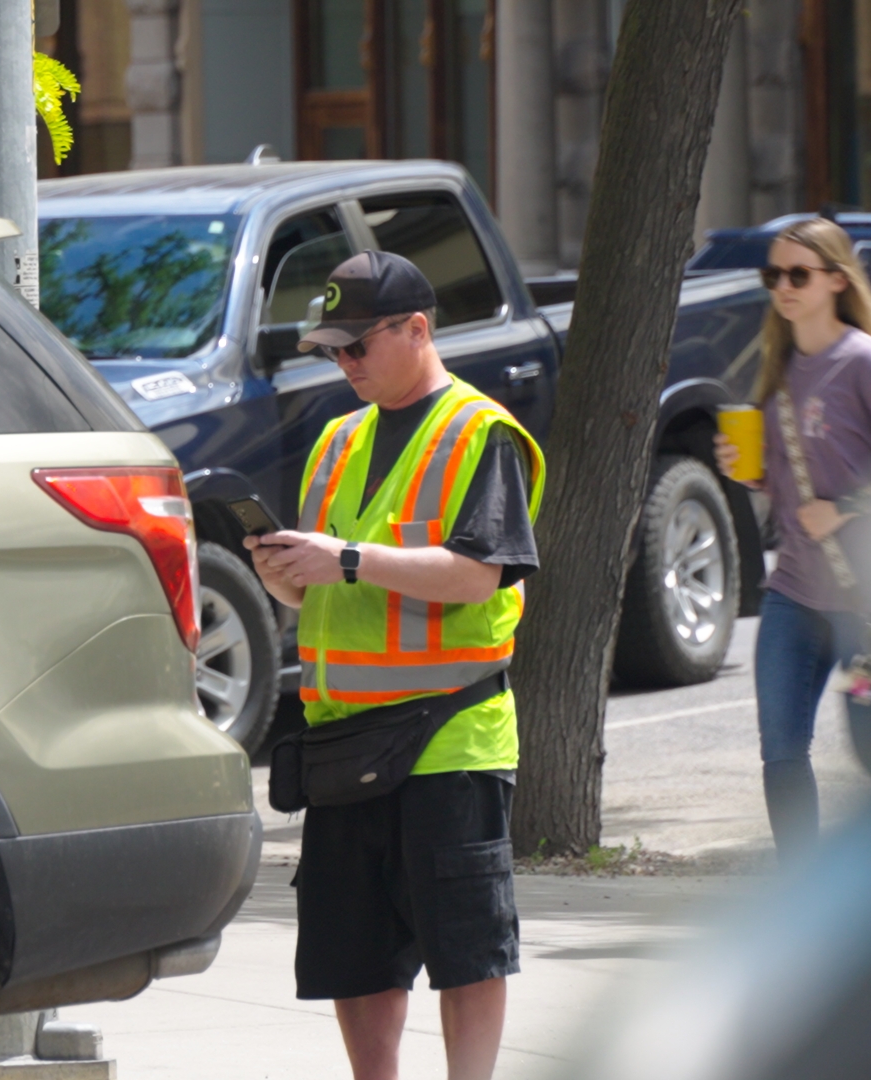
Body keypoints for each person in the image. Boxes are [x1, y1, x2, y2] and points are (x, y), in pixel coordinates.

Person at [243, 251, 545, 1080]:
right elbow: (323, 588)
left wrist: (344, 558)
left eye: (357, 346)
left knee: (467, 952)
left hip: (449, 735)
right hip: (346, 744)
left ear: (416, 329)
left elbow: (479, 574)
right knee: (357, 957)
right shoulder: (338, 438)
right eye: (332, 351)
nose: (344, 364)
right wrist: (283, 572)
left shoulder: (479, 432)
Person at [715, 217, 871, 859]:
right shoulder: (780, 366)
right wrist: (751, 472)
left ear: (837, 281)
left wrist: (843, 509)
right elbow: (792, 479)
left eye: (799, 274)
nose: (783, 287)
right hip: (793, 595)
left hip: (864, 611)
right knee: (781, 752)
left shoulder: (865, 362)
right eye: (773, 275)